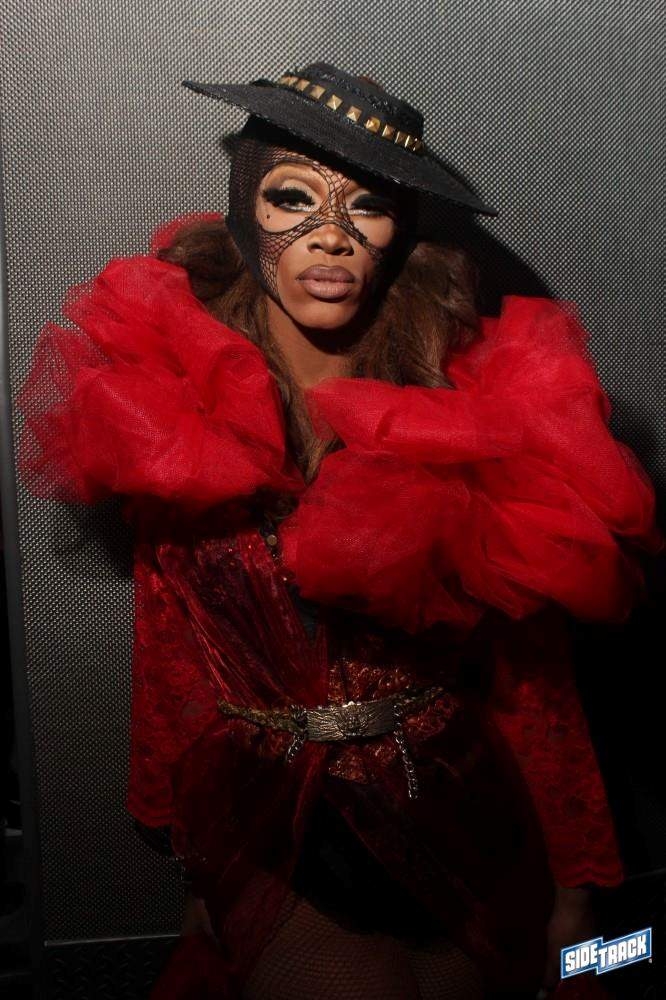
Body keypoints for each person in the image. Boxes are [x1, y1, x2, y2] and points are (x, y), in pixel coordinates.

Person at [16, 61, 664, 999]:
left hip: (468, 808)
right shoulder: (170, 400)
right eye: (293, 198)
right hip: (276, 827)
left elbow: (534, 681)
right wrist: (190, 855)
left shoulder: (471, 402)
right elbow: (170, 644)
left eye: (368, 207)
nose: (331, 236)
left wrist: (576, 889)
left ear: (402, 233)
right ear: (245, 212)